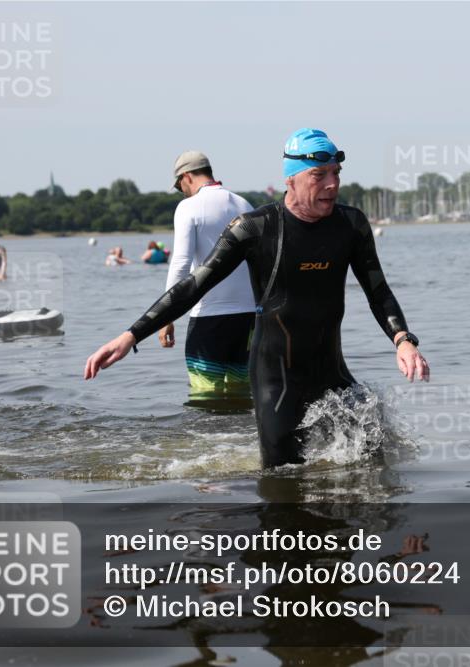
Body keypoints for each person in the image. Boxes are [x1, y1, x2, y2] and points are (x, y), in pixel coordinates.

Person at [85, 128, 429, 467]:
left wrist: (403, 340)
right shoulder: (256, 227)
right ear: (290, 180)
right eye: (318, 175)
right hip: (276, 381)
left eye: (336, 174)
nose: (332, 184)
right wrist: (130, 336)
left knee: (376, 460)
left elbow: (377, 290)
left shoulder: (350, 225)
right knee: (282, 479)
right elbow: (194, 285)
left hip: (331, 373)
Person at [160, 150, 257, 406]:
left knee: (205, 399)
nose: (182, 191)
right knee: (241, 396)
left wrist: (166, 317)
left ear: (187, 176)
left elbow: (180, 264)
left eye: (180, 185)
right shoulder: (244, 205)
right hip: (249, 318)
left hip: (210, 317)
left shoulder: (188, 207)